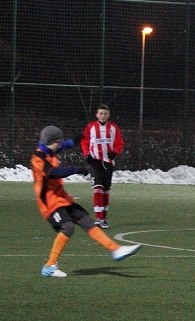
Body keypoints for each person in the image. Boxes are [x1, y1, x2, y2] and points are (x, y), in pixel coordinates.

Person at [31, 125, 141, 278]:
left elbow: (65, 145)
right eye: (58, 141)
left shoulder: (49, 149)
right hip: (48, 203)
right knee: (67, 227)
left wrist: (77, 139)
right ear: (51, 141)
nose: (60, 144)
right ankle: (49, 266)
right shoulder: (39, 159)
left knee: (86, 221)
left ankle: (115, 250)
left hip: (61, 198)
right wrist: (76, 169)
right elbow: (53, 173)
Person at [81, 104, 124, 229]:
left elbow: (119, 143)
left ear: (108, 115)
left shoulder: (114, 128)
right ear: (96, 115)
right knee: (98, 188)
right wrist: (87, 154)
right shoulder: (91, 127)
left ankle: (103, 219)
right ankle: (98, 218)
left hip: (108, 163)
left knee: (105, 190)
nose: (103, 116)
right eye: (101, 113)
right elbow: (85, 141)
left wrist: (115, 152)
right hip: (95, 162)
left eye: (105, 114)